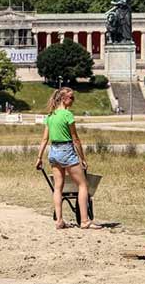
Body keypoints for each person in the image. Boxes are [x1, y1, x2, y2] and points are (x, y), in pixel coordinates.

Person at [35, 87, 101, 230]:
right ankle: (84, 221)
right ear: (64, 99)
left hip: (54, 152)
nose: (73, 100)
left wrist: (39, 157)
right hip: (66, 151)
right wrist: (83, 158)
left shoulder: (50, 116)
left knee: (58, 188)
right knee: (83, 185)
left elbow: (44, 139)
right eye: (71, 98)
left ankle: (59, 220)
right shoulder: (67, 115)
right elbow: (75, 139)